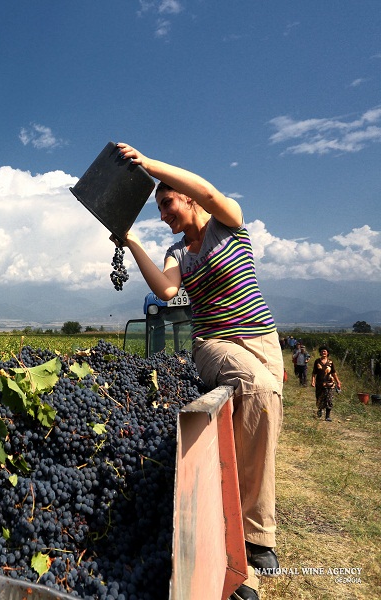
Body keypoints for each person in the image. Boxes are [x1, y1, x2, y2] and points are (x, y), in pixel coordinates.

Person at [114, 143, 283, 600]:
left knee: (260, 423)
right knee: (259, 391)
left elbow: (209, 192)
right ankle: (255, 537)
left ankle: (240, 549)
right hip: (214, 344)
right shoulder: (177, 252)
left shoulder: (229, 223)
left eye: (167, 202)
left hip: (263, 340)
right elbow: (167, 291)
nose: (163, 214)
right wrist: (131, 241)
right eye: (159, 209)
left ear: (186, 197)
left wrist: (148, 166)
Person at [311, 346, 341, 421]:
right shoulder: (317, 361)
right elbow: (314, 373)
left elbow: (334, 373)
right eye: (322, 351)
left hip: (329, 383)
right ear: (320, 353)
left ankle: (327, 416)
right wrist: (313, 381)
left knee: (329, 399)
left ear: (327, 353)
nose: (323, 352)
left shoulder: (330, 362)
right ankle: (320, 409)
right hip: (319, 383)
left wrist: (338, 382)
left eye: (325, 351)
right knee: (319, 398)